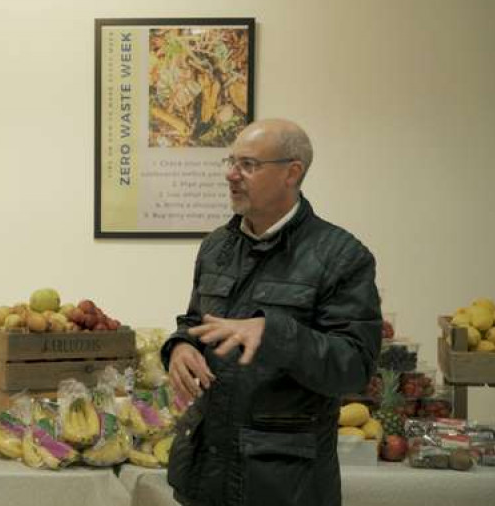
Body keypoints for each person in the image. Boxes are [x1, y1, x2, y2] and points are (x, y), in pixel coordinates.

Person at [162, 119, 381, 506]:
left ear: (291, 172)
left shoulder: (342, 256)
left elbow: (354, 367)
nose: (231, 174)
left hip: (283, 485)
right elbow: (196, 323)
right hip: (206, 476)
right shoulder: (216, 248)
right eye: (231, 162)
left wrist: (274, 333)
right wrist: (180, 347)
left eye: (248, 165)